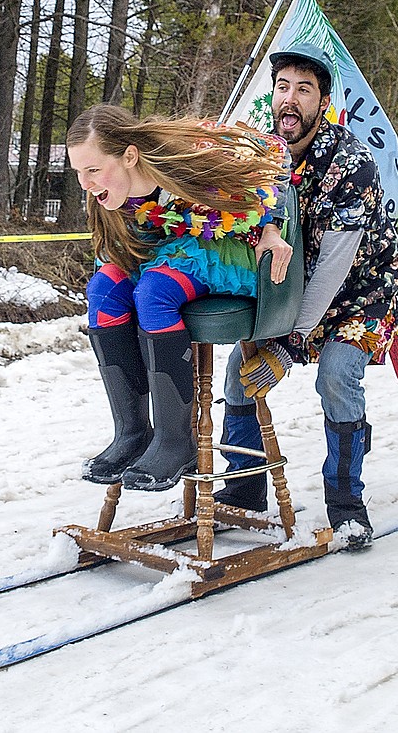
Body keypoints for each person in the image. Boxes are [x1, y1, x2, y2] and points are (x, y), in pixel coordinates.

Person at [217, 43, 398, 550]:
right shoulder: (261, 158)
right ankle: (243, 492)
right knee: (240, 373)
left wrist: (288, 342)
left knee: (336, 376)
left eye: (304, 89)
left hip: (363, 292)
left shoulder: (353, 163)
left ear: (322, 102)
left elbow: (333, 268)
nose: (290, 99)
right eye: (282, 87)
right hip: (294, 290)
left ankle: (347, 507)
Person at [67, 104, 292, 493]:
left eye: (93, 170)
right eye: (78, 173)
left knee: (154, 292)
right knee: (103, 291)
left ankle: (176, 440)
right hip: (158, 248)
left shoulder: (188, 159)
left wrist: (270, 226)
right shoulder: (104, 195)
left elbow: (274, 155)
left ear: (129, 156)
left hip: (218, 246)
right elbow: (117, 248)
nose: (85, 183)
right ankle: (133, 433)